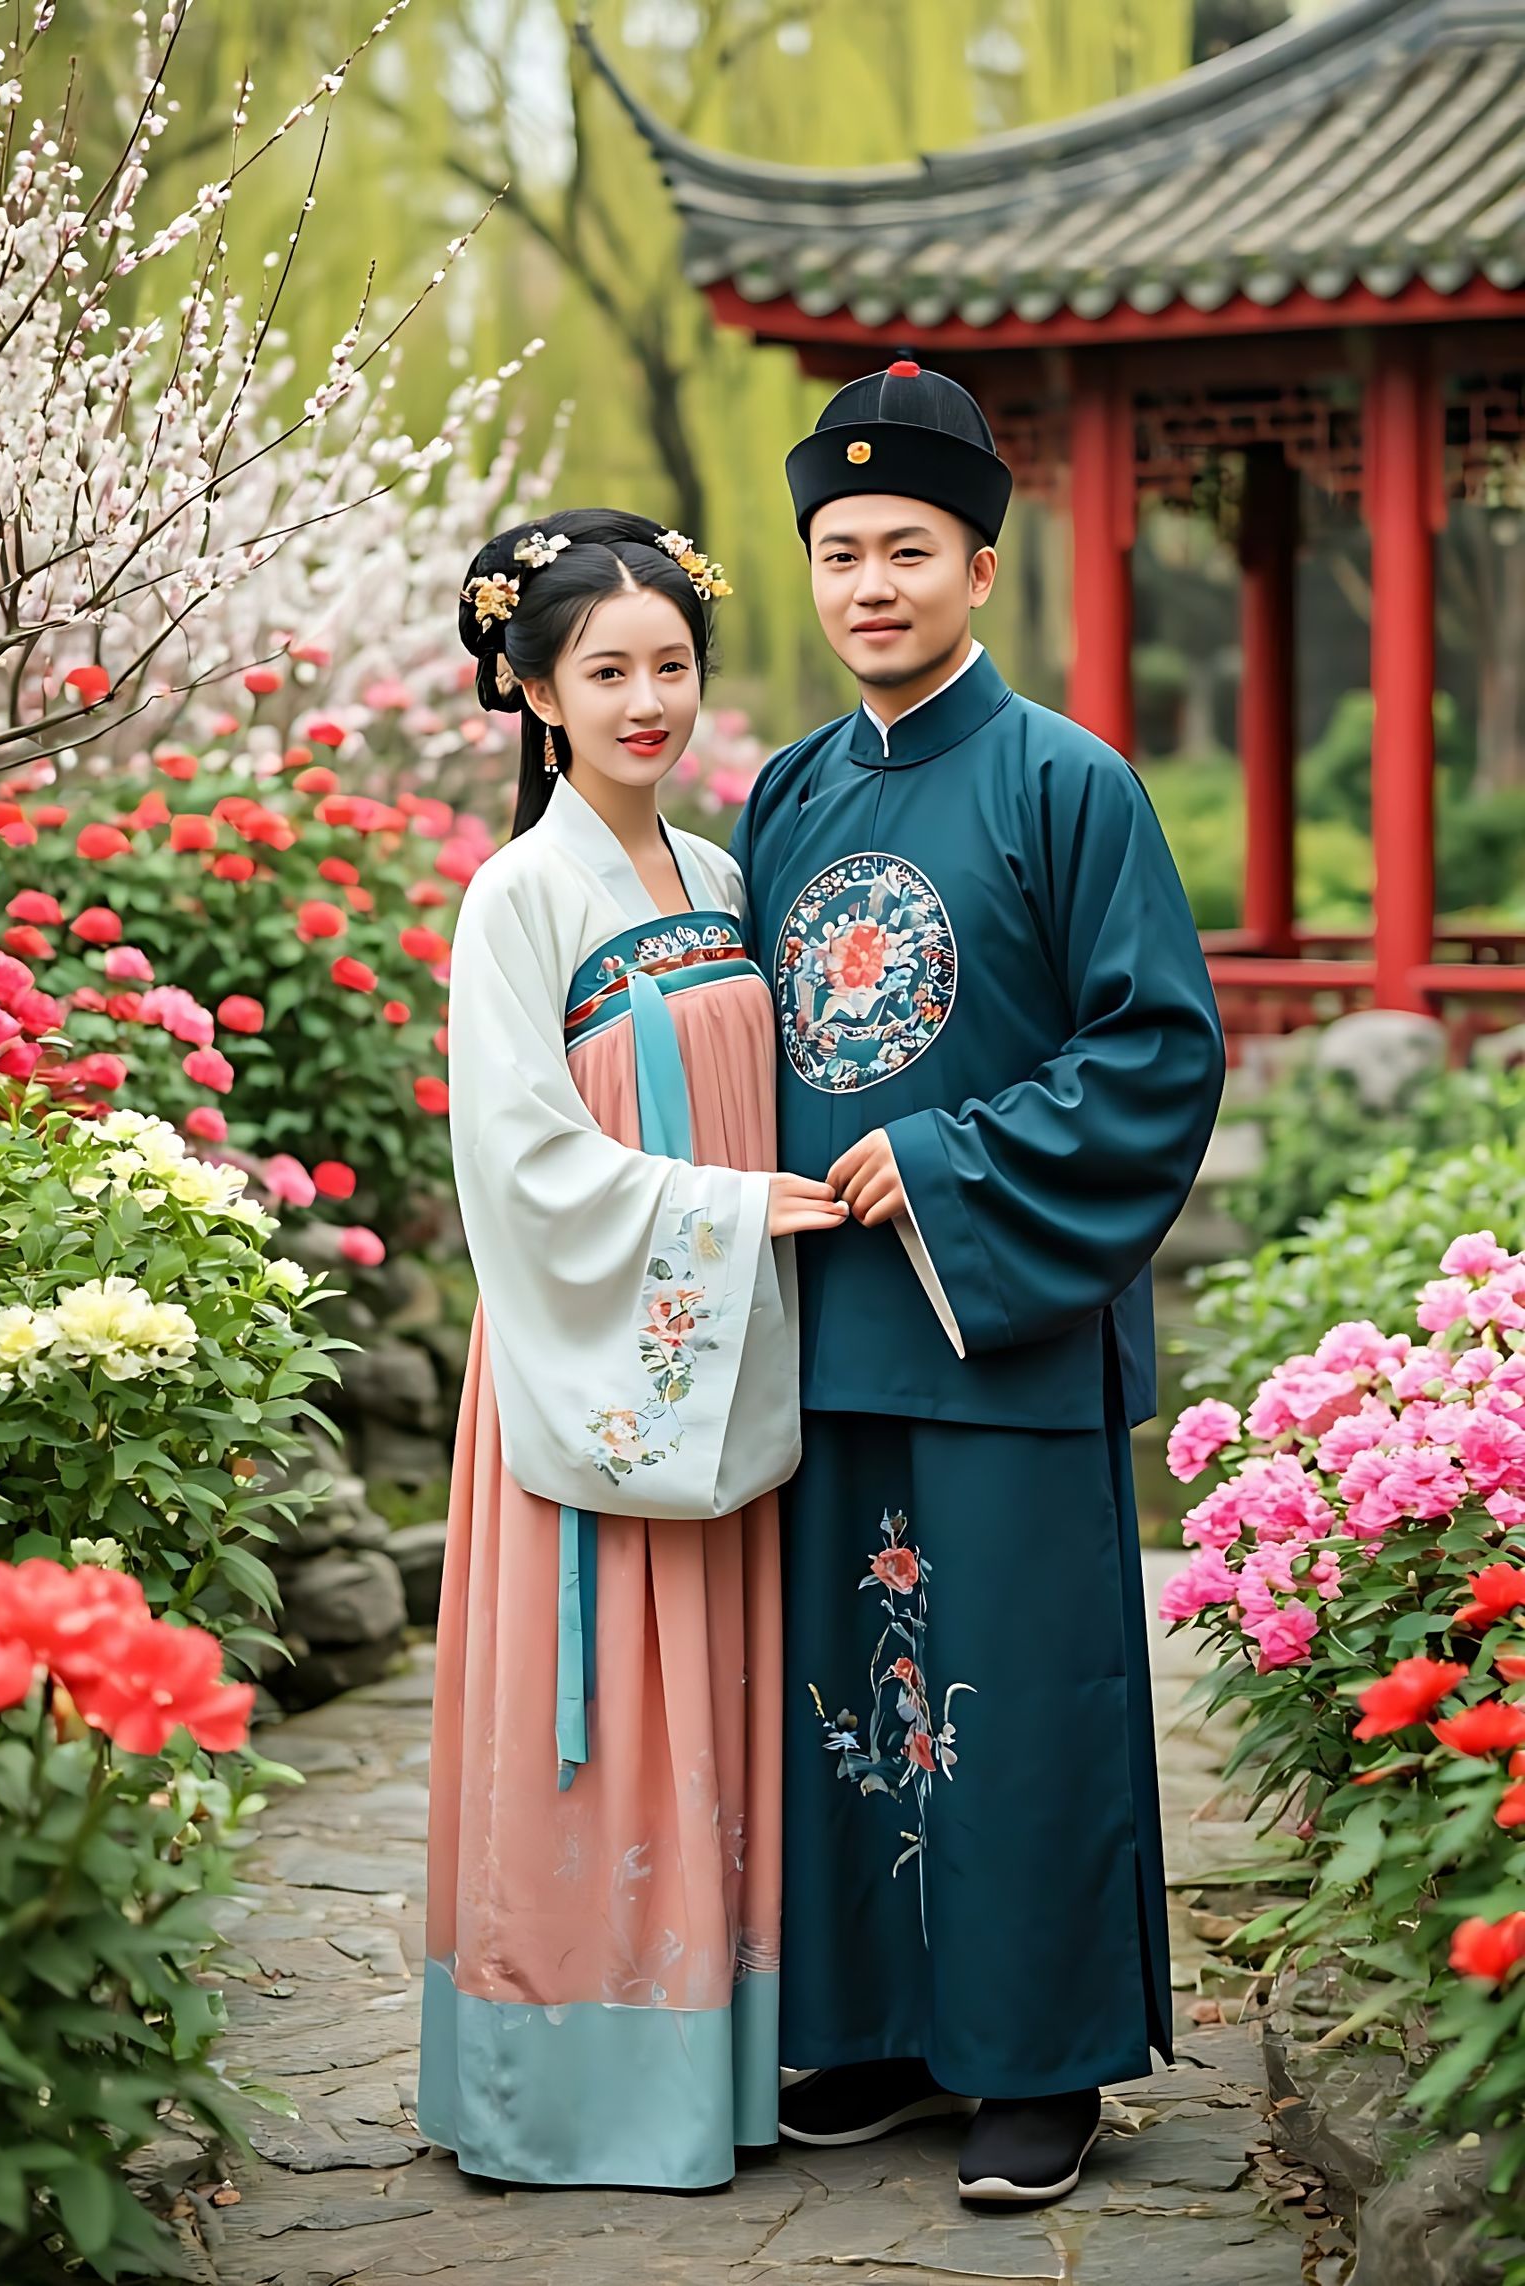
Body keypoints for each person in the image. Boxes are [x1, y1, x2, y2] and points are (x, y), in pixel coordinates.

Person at [730, 364, 1227, 2205]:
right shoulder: (786, 794)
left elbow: (1157, 1051)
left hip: (994, 1318)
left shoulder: (1067, 781)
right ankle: (870, 2029)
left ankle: (1037, 2061)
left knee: (1018, 1697)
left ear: (982, 569)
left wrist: (942, 1162)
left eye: (908, 551)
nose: (870, 584)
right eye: (840, 553)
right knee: (845, 1697)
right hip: (826, 1336)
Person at [419, 508, 846, 2192]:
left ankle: (717, 2069)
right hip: (590, 1358)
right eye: (606, 671)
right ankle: (571, 2089)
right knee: (597, 1718)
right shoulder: (518, 896)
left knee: (713, 1705)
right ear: (536, 691)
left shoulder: (724, 879)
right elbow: (520, 1160)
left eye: (672, 664)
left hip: (719, 1364)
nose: (647, 700)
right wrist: (726, 1213)